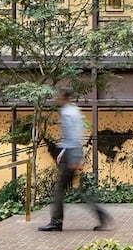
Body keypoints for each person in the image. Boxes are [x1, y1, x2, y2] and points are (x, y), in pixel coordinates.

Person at [39, 89, 112, 232]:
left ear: (64, 98)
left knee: (59, 189)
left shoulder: (67, 112)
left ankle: (56, 222)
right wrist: (65, 153)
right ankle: (101, 214)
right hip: (71, 153)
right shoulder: (75, 111)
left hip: (71, 155)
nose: (58, 99)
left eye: (59, 97)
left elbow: (73, 136)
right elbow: (74, 136)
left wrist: (72, 157)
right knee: (77, 190)